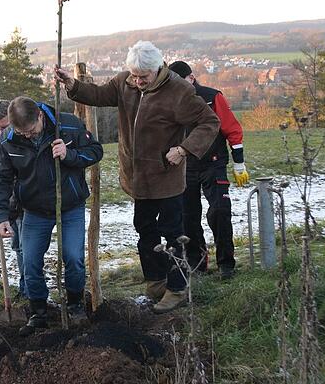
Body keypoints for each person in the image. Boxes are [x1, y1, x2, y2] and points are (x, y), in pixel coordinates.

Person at [54, 41, 220, 313]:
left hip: (166, 178)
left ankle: (177, 288)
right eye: (134, 75)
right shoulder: (125, 83)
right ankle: (156, 280)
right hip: (137, 177)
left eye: (143, 77)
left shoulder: (179, 91)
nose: (138, 81)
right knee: (144, 228)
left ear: (158, 69)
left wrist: (183, 149)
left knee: (173, 234)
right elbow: (97, 95)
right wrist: (72, 85)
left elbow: (209, 122)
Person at [0, 97, 103, 335]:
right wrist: (1, 217)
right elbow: (0, 180)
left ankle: (74, 305)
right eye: (22, 133)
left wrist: (69, 155)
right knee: (30, 261)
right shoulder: (8, 141)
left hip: (70, 205)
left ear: (40, 116)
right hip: (35, 210)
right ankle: (38, 311)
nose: (28, 136)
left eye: (31, 131)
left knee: (73, 258)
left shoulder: (69, 125)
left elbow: (95, 151)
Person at [169, 61, 249, 279]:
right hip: (184, 167)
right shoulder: (169, 102)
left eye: (180, 81)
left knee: (220, 211)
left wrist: (239, 163)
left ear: (191, 78)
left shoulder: (213, 97)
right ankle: (198, 265)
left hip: (214, 163)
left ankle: (226, 264)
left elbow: (232, 129)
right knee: (188, 218)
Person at [0, 99, 27, 297]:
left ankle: (29, 287)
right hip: (5, 196)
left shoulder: (22, 137)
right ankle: (23, 286)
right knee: (17, 244)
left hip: (23, 196)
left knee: (26, 245)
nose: (0, 132)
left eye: (4, 127)